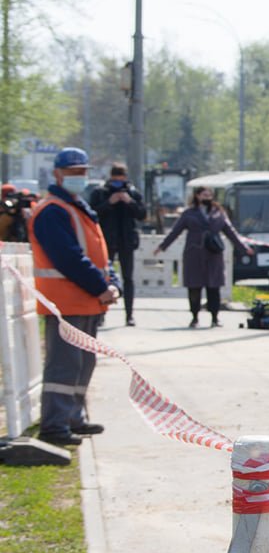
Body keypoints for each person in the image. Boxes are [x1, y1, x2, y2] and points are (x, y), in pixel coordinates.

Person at [28, 148, 117, 446]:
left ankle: (73, 418)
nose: (79, 177)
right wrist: (100, 287)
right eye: (73, 172)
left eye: (82, 171)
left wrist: (111, 282)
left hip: (86, 301)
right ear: (57, 174)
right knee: (63, 367)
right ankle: (54, 425)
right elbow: (69, 258)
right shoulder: (53, 210)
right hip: (65, 302)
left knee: (82, 364)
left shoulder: (76, 207)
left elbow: (100, 255)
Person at [157, 185, 253, 327]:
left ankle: (215, 318)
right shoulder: (189, 213)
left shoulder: (219, 213)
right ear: (197, 196)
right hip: (194, 254)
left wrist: (244, 248)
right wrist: (162, 246)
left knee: (214, 287)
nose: (207, 197)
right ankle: (194, 316)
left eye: (209, 195)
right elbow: (175, 231)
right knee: (194, 287)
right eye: (204, 195)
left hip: (213, 254)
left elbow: (231, 232)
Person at [88, 165, 147, 326]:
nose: (118, 184)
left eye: (121, 180)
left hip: (126, 241)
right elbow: (92, 213)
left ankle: (129, 315)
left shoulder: (133, 193)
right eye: (115, 180)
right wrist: (109, 202)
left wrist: (130, 202)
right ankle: (101, 314)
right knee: (104, 277)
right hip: (107, 241)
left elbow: (142, 214)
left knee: (128, 278)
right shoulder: (100, 192)